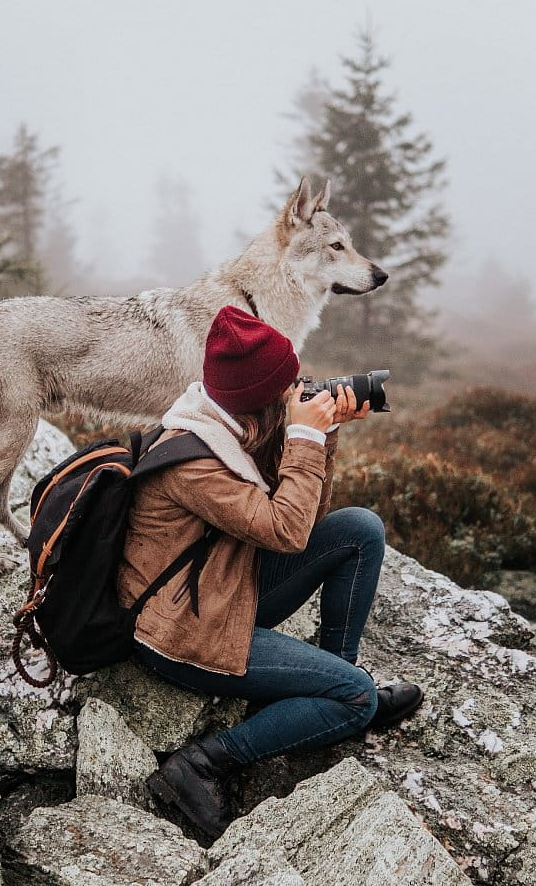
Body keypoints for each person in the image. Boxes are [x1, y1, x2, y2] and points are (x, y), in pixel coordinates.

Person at [117, 305, 423, 838]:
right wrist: (303, 439)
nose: (295, 395)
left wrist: (322, 436)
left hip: (224, 589)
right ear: (257, 398)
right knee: (356, 697)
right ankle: (201, 764)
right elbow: (285, 531)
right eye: (286, 390)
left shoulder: (229, 425)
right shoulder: (193, 461)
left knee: (359, 529)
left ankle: (327, 690)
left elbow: (309, 520)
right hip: (185, 632)